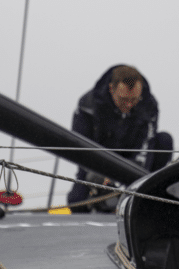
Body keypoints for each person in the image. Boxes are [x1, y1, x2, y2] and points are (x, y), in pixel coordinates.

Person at [67, 65, 173, 212]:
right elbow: (79, 147)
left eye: (134, 99)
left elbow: (147, 146)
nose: (129, 105)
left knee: (164, 140)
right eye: (123, 100)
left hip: (133, 162)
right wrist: (100, 177)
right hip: (96, 163)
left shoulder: (149, 106)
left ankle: (148, 196)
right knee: (76, 202)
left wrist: (138, 180)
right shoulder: (88, 105)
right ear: (112, 89)